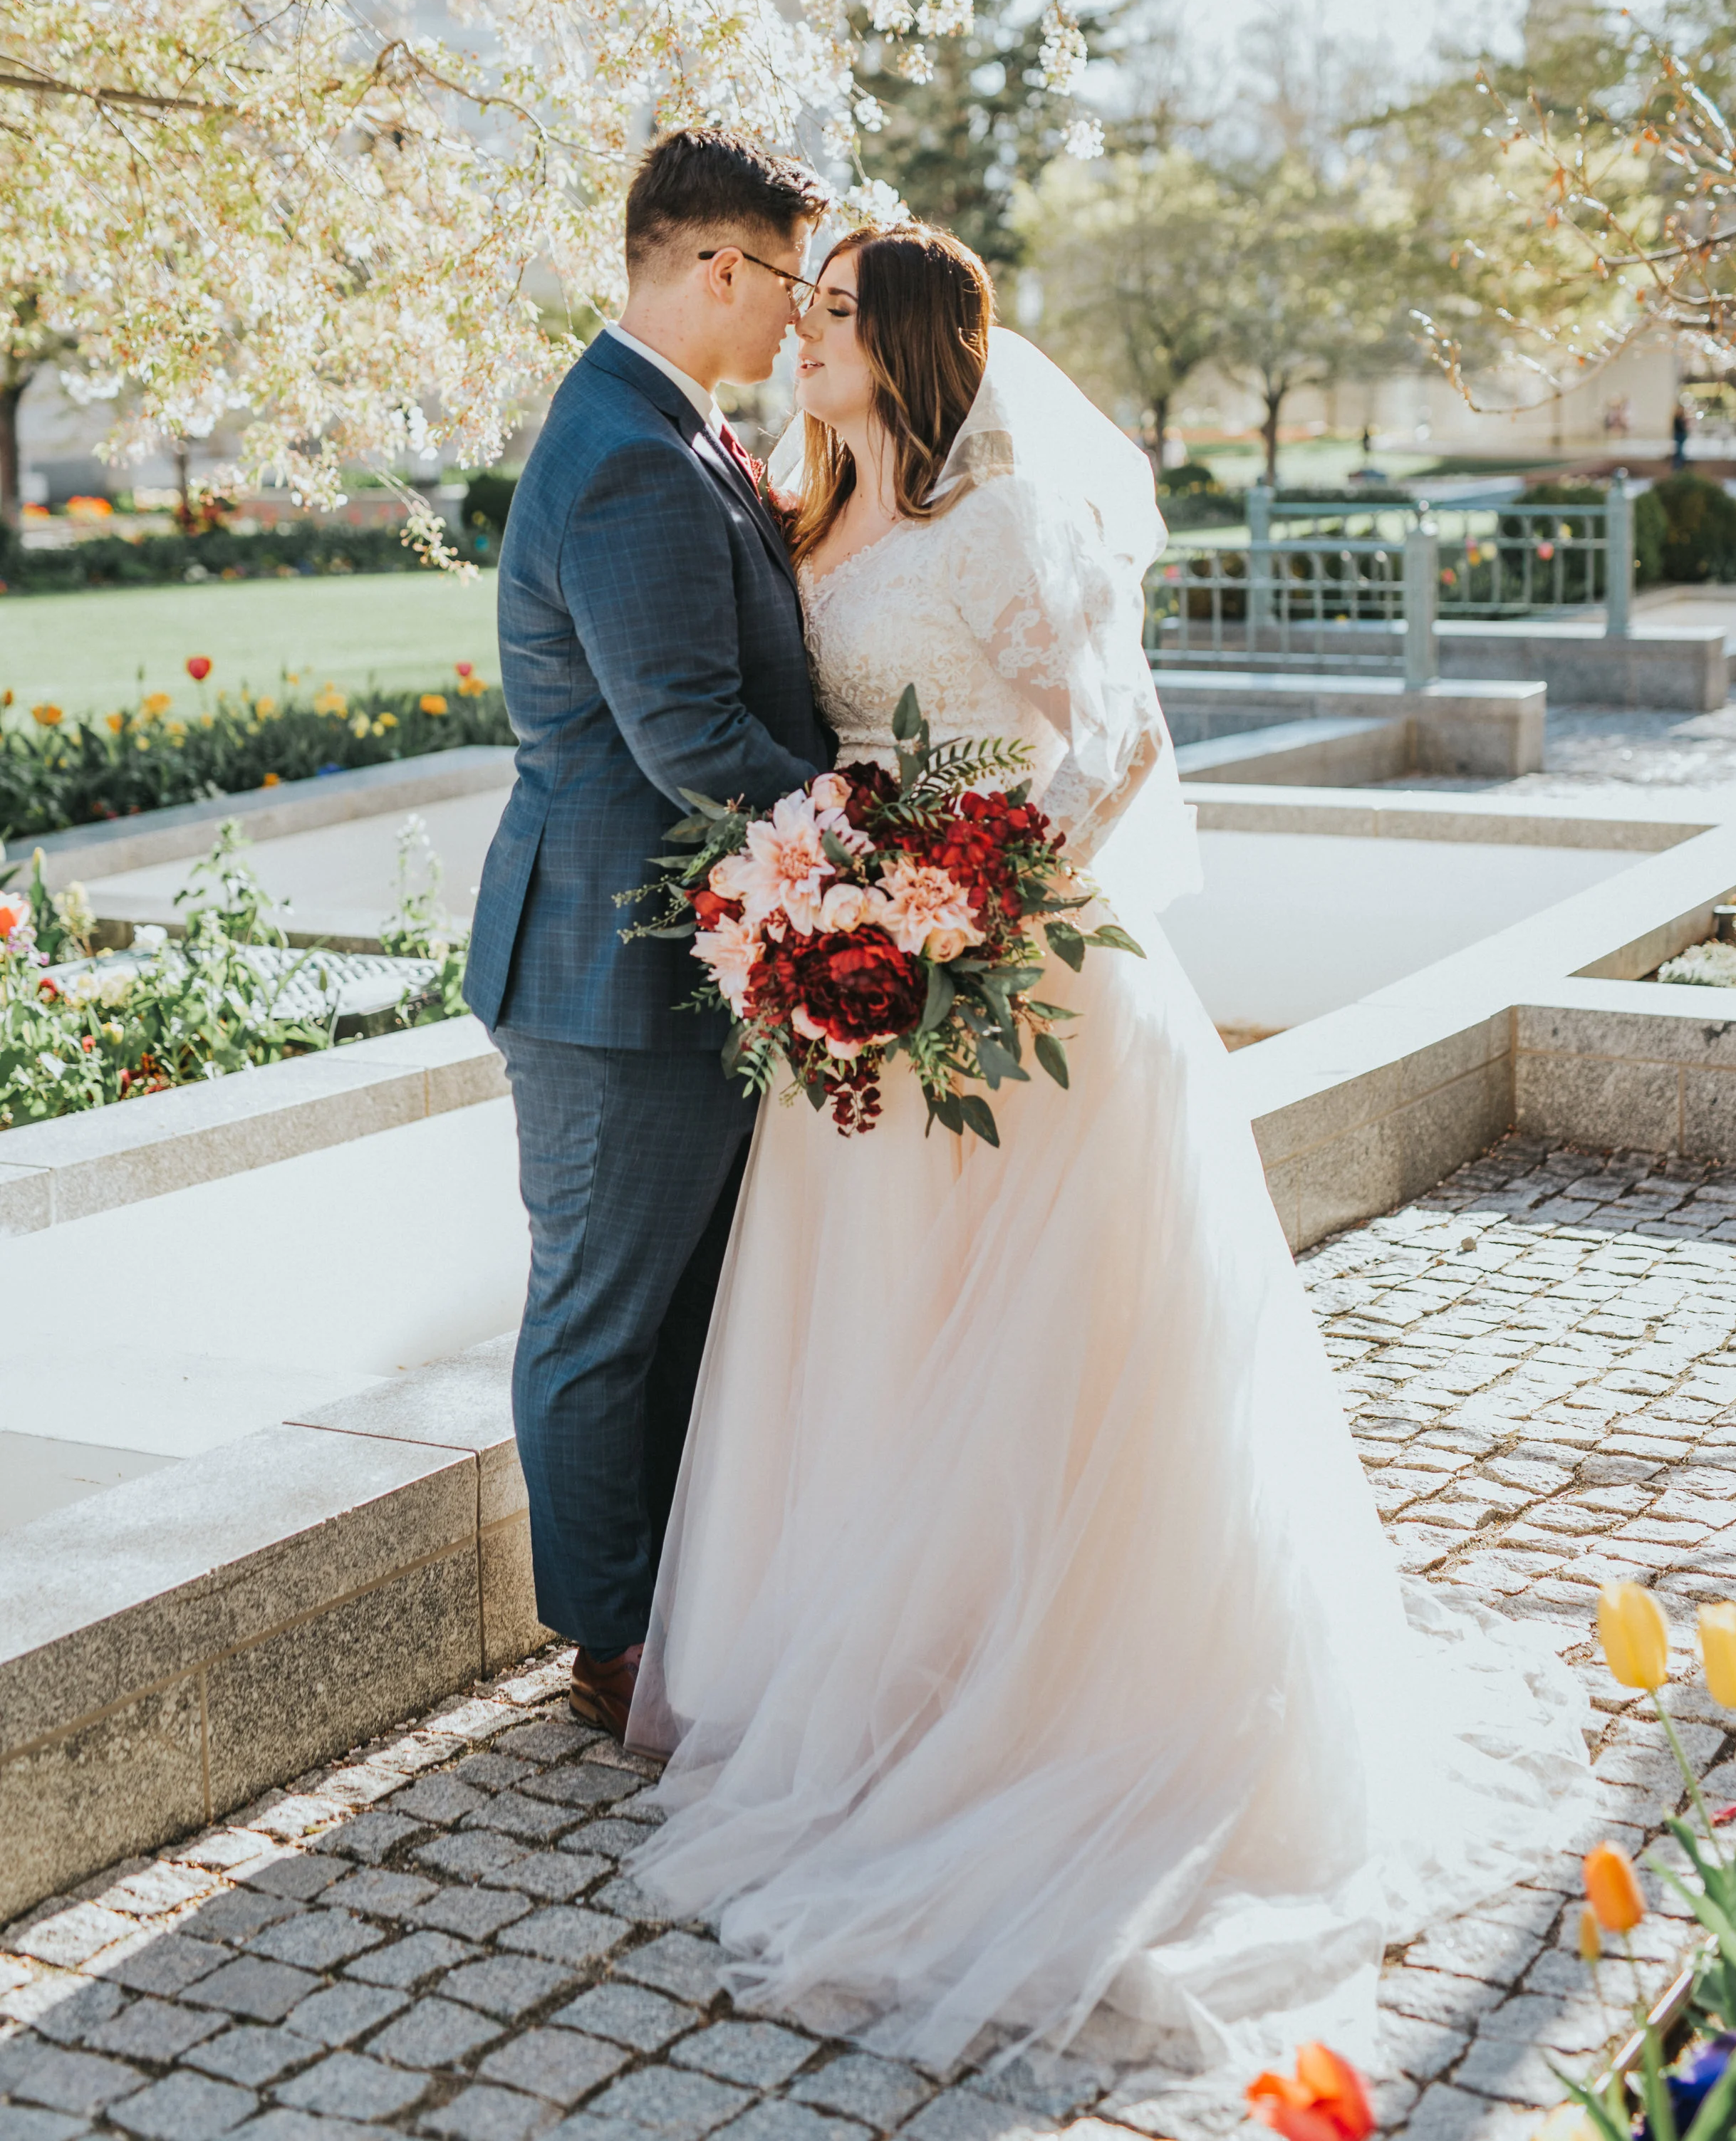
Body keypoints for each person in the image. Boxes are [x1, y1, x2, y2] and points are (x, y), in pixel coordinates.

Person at [626, 223, 1591, 2070]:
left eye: (830, 315)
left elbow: (1113, 746)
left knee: (1048, 1350)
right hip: (868, 999)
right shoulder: (808, 520)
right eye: (798, 311)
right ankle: (894, 1670)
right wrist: (837, 901)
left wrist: (964, 907)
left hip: (1021, 992)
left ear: (903, 345)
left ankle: (1062, 1688)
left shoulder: (1004, 526)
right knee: (893, 1346)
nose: (798, 341)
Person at [465, 129, 833, 1745]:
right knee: (603, 1318)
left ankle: (667, 1619)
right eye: (786, 290)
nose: (794, 328)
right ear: (715, 268)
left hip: (673, 952)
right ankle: (610, 1648)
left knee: (672, 1309)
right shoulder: (626, 449)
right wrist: (875, 833)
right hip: (609, 963)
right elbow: (688, 733)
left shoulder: (670, 428)